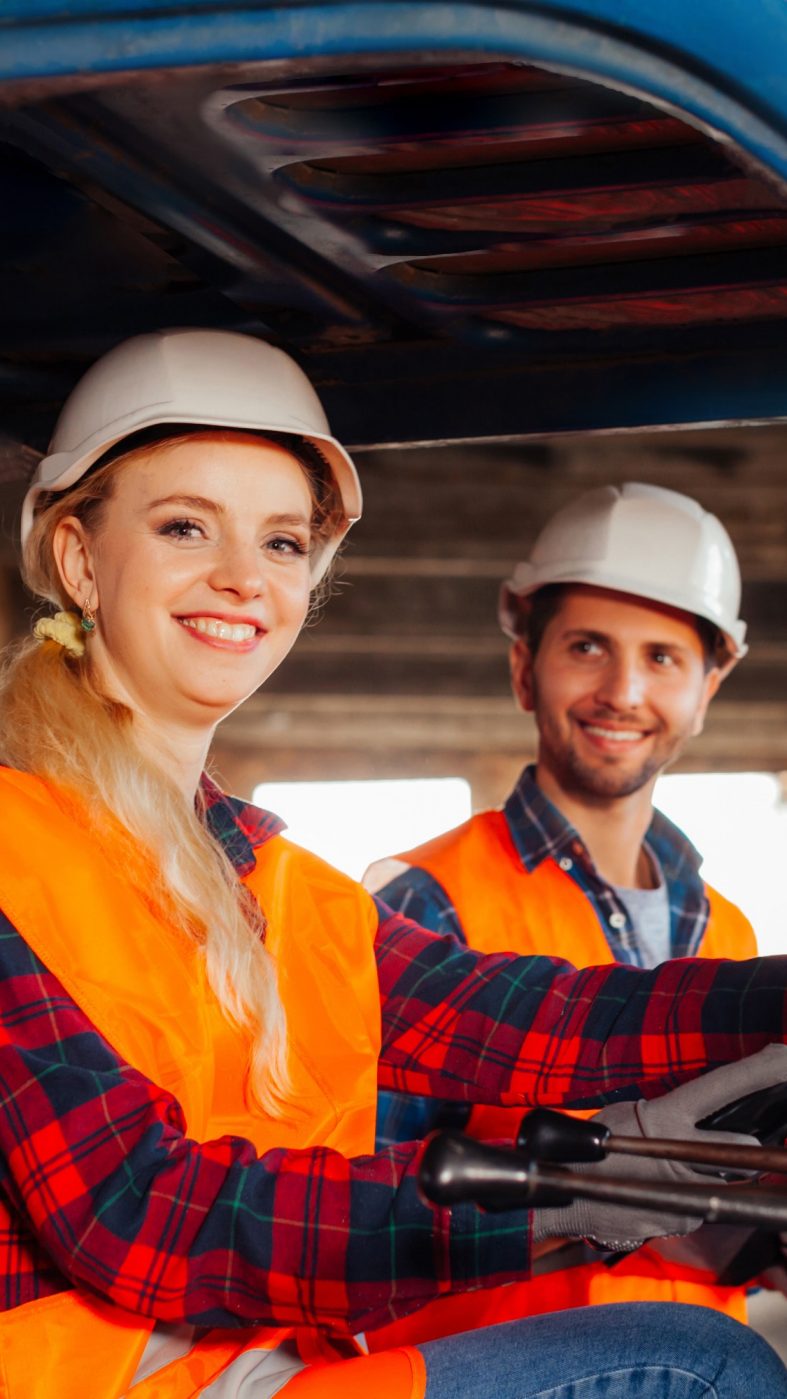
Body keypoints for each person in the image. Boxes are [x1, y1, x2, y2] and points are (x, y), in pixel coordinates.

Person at [2, 328, 787, 1399]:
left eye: (281, 543)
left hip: (278, 1367)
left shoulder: (287, 893)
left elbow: (542, 1023)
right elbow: (136, 1209)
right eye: (187, 526)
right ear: (79, 559)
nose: (241, 578)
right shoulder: (14, 850)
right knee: (696, 1369)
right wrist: (559, 1194)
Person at [364, 482, 764, 1346]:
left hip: (693, 1367)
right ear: (523, 667)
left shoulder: (728, 935)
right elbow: (355, 1210)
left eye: (661, 655)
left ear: (708, 684)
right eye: (587, 646)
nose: (621, 689)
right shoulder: (420, 907)